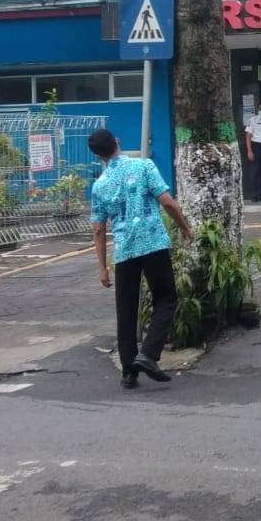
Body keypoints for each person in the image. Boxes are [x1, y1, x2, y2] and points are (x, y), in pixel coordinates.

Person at [87, 129, 194, 389]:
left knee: (126, 311)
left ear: (98, 156)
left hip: (124, 252)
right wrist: (184, 227)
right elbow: (167, 202)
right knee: (166, 298)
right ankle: (148, 353)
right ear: (118, 142)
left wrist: (102, 268)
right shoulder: (144, 165)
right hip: (154, 244)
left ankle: (128, 373)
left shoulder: (99, 185)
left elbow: (99, 228)